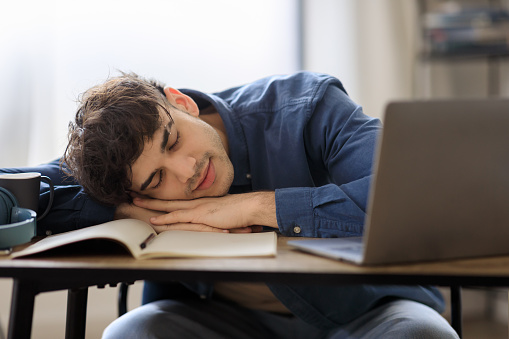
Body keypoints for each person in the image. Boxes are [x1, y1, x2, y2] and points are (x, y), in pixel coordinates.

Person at [1, 72, 459, 338]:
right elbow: (21, 191)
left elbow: (409, 198)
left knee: (424, 335)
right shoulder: (128, 189)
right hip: (224, 322)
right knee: (128, 334)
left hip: (369, 313)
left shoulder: (307, 106)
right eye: (158, 178)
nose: (187, 170)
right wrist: (121, 213)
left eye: (173, 139)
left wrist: (258, 207)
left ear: (180, 103)